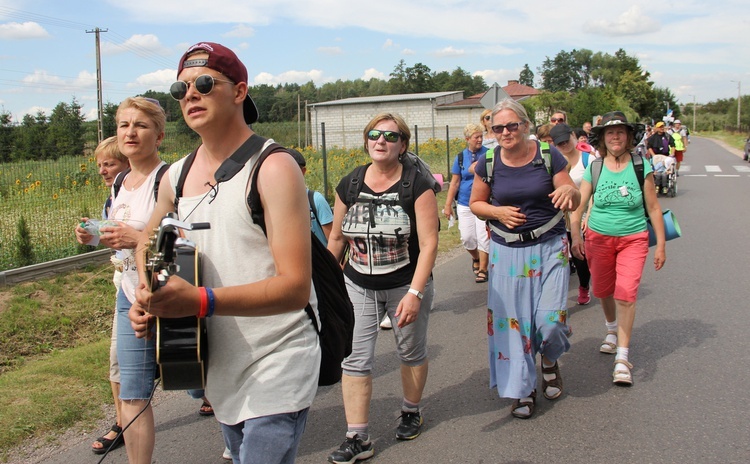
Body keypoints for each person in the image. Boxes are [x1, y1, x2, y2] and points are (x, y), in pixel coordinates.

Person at [130, 42, 319, 464]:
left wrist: (198, 300)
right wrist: (148, 293)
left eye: (203, 84)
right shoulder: (174, 178)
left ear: (239, 92)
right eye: (181, 89)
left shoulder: (273, 167)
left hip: (279, 355)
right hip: (217, 363)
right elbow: (146, 242)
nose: (190, 95)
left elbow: (294, 288)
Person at [326, 112, 438, 463]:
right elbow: (336, 238)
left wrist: (415, 294)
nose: (381, 141)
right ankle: (357, 437)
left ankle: (410, 410)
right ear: (366, 140)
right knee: (355, 359)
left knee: (411, 353)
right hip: (357, 284)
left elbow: (431, 243)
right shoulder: (350, 183)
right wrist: (328, 286)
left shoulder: (416, 185)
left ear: (402, 145)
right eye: (374, 134)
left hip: (405, 283)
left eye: (390, 136)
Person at [470, 99, 580, 419]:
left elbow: (571, 192)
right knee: (513, 327)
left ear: (526, 126)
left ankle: (548, 359)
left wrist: (569, 194)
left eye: (512, 125)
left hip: (549, 247)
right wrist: (497, 211)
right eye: (498, 128)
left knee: (550, 322)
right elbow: (477, 203)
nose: (505, 132)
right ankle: (523, 388)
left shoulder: (548, 155)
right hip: (507, 252)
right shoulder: (488, 162)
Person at [570, 111, 666, 387]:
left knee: (626, 293)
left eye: (620, 132)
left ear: (628, 137)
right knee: (602, 289)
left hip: (633, 239)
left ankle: (622, 358)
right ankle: (611, 329)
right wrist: (576, 234)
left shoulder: (640, 166)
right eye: (610, 133)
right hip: (598, 239)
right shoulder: (595, 168)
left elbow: (654, 207)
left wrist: (660, 244)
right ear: (602, 138)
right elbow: (578, 206)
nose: (615, 137)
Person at [75, 136, 130, 455]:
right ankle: (123, 423)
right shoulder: (113, 198)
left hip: (159, 286)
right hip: (124, 289)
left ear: (127, 163)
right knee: (118, 359)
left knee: (184, 354)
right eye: (99, 165)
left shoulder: (156, 186)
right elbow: (108, 233)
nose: (102, 171)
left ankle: (207, 394)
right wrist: (89, 233)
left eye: (108, 164)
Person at [550, 123, 593, 305]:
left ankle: (583, 286)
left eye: (566, 141)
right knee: (559, 257)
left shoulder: (588, 160)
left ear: (573, 136)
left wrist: (589, 215)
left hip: (582, 213)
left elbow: (594, 190)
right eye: (559, 144)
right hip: (560, 216)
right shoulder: (553, 161)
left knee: (580, 255)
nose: (564, 146)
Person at [442, 123, 490, 283]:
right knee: (467, 237)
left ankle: (483, 269)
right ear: (467, 139)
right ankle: (475, 258)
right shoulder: (461, 157)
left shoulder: (489, 154)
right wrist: (448, 205)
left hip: (484, 201)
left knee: (484, 237)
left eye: (481, 136)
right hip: (464, 202)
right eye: (476, 137)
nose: (479, 139)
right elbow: (454, 183)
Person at [288, 147, 334, 245]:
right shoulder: (275, 204)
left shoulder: (316, 200)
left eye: (290, 168)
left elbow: (333, 241)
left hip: (319, 259)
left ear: (303, 171)